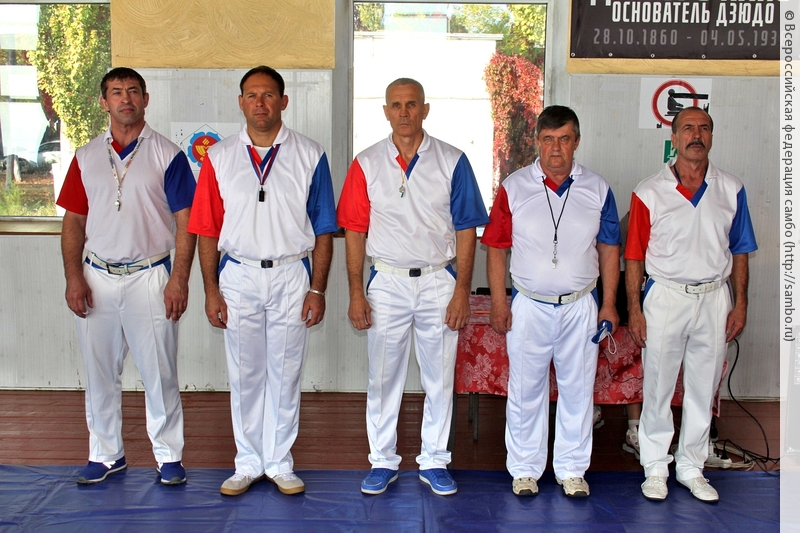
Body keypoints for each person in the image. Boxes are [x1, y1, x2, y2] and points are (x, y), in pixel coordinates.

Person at [188, 66, 336, 497]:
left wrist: (318, 289)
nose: (260, 103)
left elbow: (324, 229)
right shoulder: (218, 157)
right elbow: (206, 230)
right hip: (238, 274)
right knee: (245, 374)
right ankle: (248, 462)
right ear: (241, 103)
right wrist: (211, 290)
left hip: (292, 274)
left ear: (283, 102)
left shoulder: (310, 154)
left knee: (286, 373)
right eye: (251, 95)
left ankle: (279, 462)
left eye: (268, 95)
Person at [337, 78, 489, 496]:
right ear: (386, 111)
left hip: (438, 280)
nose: (404, 112)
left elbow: (467, 229)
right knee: (383, 377)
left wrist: (462, 292)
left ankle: (435, 460)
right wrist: (355, 291)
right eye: (396, 105)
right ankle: (382, 460)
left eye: (411, 104)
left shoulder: (452, 160)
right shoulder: (366, 162)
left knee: (439, 377)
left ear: (425, 109)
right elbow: (354, 231)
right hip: (386, 281)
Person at [57, 67, 196, 485]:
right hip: (96, 276)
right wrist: (74, 277)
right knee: (99, 371)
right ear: (104, 102)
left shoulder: (168, 154)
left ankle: (169, 456)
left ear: (146, 99)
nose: (126, 99)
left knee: (159, 371)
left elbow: (186, 221)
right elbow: (73, 221)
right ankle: (105, 454)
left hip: (150, 275)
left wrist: (179, 279)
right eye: (116, 92)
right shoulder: (85, 156)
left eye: (133, 91)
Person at [483, 105, 621, 498]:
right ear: (537, 142)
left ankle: (572, 470)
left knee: (578, 390)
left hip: (581, 305)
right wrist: (499, 302)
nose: (556, 148)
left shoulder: (598, 188)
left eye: (564, 139)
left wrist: (609, 303)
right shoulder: (514, 187)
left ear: (577, 141)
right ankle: (525, 469)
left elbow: (609, 247)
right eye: (548, 139)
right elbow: (496, 248)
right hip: (529, 304)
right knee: (525, 390)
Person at [625, 107, 757, 503]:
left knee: (703, 387)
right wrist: (634, 309)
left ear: (711, 137)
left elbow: (741, 250)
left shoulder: (731, 188)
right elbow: (634, 255)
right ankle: (654, 467)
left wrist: (741, 304)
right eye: (687, 128)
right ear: (674, 137)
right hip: (666, 295)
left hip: (715, 297)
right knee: (659, 386)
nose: (695, 135)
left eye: (703, 129)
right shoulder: (649, 191)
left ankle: (691, 467)